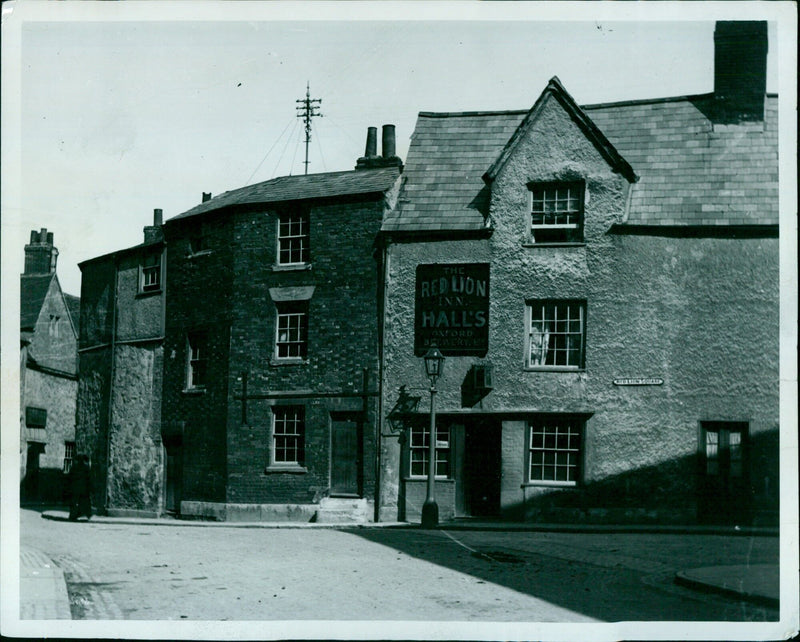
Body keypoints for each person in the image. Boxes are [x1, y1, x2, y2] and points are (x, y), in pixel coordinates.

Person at [68, 454, 92, 521]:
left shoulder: (74, 468)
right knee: (84, 502)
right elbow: (89, 478)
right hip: (83, 489)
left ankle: (73, 515)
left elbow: (70, 478)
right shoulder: (86, 468)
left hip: (75, 489)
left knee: (74, 502)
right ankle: (85, 515)